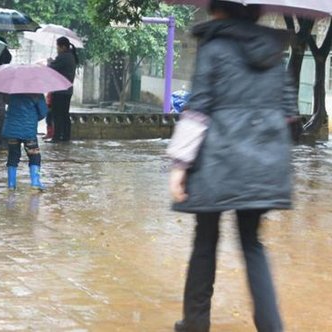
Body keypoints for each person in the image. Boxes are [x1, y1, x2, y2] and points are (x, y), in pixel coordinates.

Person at [167, 1, 298, 331]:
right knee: (252, 244)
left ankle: (195, 324)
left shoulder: (214, 47)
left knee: (205, 241)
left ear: (219, 10)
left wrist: (179, 165)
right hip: (263, 165)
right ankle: (272, 327)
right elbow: (288, 114)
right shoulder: (275, 50)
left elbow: (198, 108)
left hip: (216, 162)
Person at [2, 94, 48, 191]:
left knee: (13, 156)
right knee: (34, 156)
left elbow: (6, 104)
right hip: (28, 131)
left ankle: (11, 184)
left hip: (12, 131)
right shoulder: (37, 93)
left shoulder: (11, 92)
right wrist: (33, 117)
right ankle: (35, 183)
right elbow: (43, 112)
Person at [47, 36, 78, 142]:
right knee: (64, 114)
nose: (57, 49)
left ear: (63, 47)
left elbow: (51, 68)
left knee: (57, 114)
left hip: (60, 90)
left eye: (58, 47)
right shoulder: (70, 56)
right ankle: (65, 136)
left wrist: (49, 62)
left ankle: (56, 137)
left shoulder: (63, 57)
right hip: (67, 90)